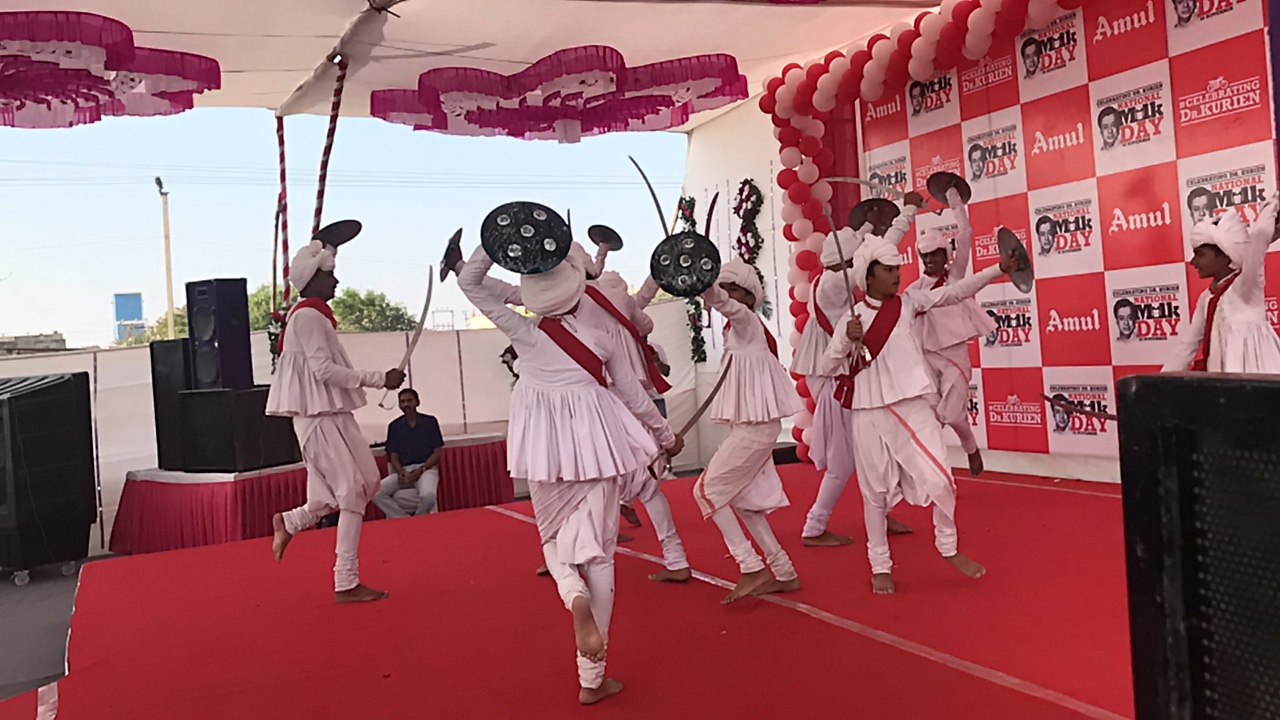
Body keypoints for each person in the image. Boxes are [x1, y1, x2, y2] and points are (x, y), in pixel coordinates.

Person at [457, 243, 682, 705]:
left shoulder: (523, 332)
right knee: (600, 555)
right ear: (578, 285)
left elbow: (470, 283)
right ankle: (592, 677)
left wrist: (493, 244)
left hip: (543, 453)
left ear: (533, 293)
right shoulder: (601, 337)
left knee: (553, 537)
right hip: (598, 447)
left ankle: (571, 592)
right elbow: (635, 398)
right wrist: (665, 436)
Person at [822, 233, 1019, 595]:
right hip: (869, 410)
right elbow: (827, 367)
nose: (897, 275)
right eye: (888, 270)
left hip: (913, 403)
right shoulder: (852, 320)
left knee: (941, 476)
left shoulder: (909, 302)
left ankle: (948, 547)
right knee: (874, 492)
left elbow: (954, 293)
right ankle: (880, 565)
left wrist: (998, 269)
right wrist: (845, 340)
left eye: (897, 268)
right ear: (868, 276)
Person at [267, 240, 405, 603]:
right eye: (330, 275)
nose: (336, 281)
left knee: (367, 482)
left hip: (331, 414)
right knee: (351, 490)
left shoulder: (312, 316)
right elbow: (324, 371)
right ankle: (345, 581)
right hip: (317, 417)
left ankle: (293, 521)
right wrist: (379, 379)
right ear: (312, 280)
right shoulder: (308, 317)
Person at [791, 222, 913, 547]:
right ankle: (814, 526)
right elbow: (875, 258)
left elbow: (870, 257)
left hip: (838, 379)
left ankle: (880, 512)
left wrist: (869, 225)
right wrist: (903, 219)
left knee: (873, 450)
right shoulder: (834, 284)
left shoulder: (825, 279)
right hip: (837, 383)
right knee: (845, 461)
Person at [696, 258, 804, 603]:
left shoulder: (746, 321)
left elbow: (724, 303)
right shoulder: (736, 329)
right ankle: (784, 571)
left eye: (734, 289)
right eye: (724, 287)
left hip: (755, 429)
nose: (727, 295)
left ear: (749, 296)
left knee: (706, 491)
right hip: (751, 426)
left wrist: (707, 284)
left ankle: (750, 566)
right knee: (743, 502)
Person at [909, 187, 995, 478]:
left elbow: (966, 234)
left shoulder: (955, 275)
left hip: (955, 352)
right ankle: (937, 469)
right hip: (926, 355)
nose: (929, 261)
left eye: (934, 255)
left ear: (945, 254)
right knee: (932, 411)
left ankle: (968, 447)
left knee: (951, 411)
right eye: (925, 256)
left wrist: (956, 204)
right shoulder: (914, 290)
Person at [1163, 196, 1280, 373]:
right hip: (1223, 380)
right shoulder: (1206, 298)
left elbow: (1258, 239)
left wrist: (1274, 204)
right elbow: (1187, 345)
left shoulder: (1247, 285)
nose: (1193, 262)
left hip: (1257, 377)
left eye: (1200, 254)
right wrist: (1158, 382)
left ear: (1225, 255)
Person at [372, 388, 445, 519]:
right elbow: (393, 454)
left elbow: (437, 452)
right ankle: (402, 519)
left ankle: (419, 519)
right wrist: (400, 471)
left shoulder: (430, 422)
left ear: (417, 402)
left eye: (409, 401)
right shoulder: (394, 426)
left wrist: (422, 469)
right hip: (404, 471)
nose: (406, 404)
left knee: (428, 496)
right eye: (402, 402)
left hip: (426, 469)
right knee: (375, 492)